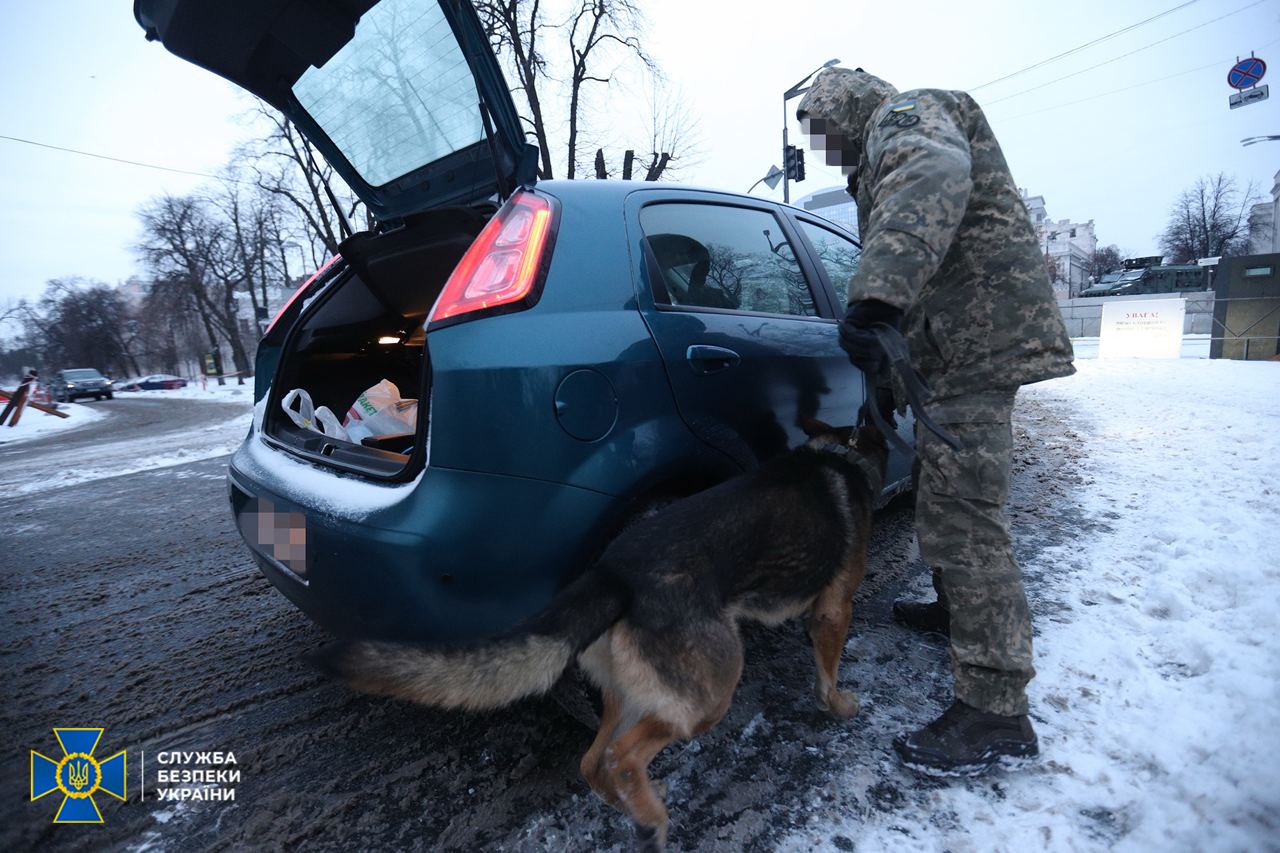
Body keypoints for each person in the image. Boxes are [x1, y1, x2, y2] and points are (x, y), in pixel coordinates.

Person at [796, 68, 1075, 775]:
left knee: (967, 519)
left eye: (827, 130)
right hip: (956, 347)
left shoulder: (905, 118)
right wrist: (891, 375)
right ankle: (957, 612)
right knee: (945, 493)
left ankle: (994, 709)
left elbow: (935, 172)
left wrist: (875, 299)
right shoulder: (890, 138)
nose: (827, 149)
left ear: (849, 109)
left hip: (974, 347)